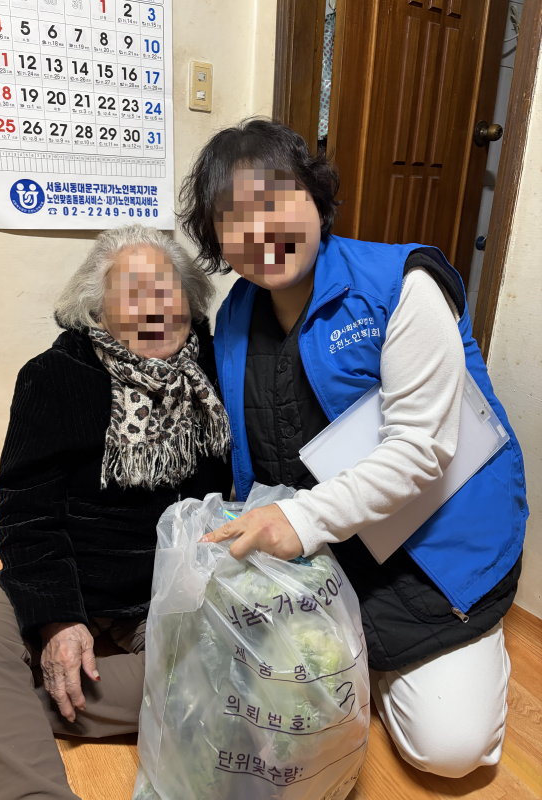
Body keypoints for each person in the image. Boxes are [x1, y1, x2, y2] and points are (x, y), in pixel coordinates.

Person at [180, 119, 527, 779]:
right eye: (234, 220)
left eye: (276, 201)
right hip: (321, 548)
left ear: (315, 199)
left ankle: (442, 657)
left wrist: (298, 520)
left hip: (429, 551)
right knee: (228, 696)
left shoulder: (402, 285)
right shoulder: (235, 316)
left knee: (448, 752)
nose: (260, 232)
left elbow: (421, 450)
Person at [0, 226, 232, 800]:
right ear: (97, 310)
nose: (154, 308)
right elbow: (25, 510)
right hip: (75, 573)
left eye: (167, 291)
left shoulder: (216, 372)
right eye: (133, 293)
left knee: (226, 673)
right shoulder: (54, 377)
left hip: (167, 590)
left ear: (191, 303)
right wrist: (57, 619)